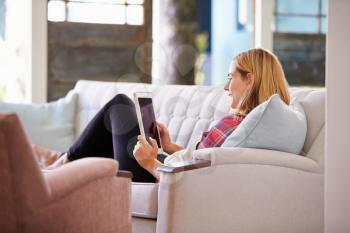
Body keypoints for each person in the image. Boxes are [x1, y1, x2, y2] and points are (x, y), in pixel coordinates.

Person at [44, 48, 290, 183]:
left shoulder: (236, 124)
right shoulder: (252, 124)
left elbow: (196, 182)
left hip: (152, 175)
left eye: (230, 78)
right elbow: (200, 162)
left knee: (119, 105)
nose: (226, 87)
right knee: (116, 127)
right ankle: (60, 164)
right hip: (161, 168)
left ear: (250, 80)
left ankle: (59, 165)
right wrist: (170, 146)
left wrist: (151, 161)